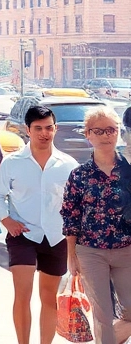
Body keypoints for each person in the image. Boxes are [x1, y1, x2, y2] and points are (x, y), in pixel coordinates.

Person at [0, 104, 77, 344]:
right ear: (27, 130)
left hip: (56, 237)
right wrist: (6, 219)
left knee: (49, 297)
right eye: (38, 128)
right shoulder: (13, 162)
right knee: (23, 293)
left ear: (55, 129)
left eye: (48, 128)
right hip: (23, 235)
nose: (44, 133)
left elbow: (76, 204)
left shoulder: (68, 165)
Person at [61, 106, 131, 344]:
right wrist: (72, 255)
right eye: (98, 131)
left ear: (118, 132)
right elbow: (70, 215)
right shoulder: (79, 175)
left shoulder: (129, 171)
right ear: (87, 135)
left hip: (126, 250)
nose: (105, 136)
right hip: (90, 251)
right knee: (102, 316)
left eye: (110, 130)